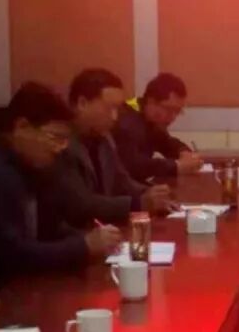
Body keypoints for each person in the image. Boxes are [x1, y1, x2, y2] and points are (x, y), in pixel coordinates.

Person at [0, 83, 122, 295]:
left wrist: (92, 240)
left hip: (21, 286)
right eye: (55, 138)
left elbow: (50, 227)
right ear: (22, 127)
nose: (59, 149)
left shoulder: (29, 165)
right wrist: (83, 246)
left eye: (64, 141)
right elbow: (13, 255)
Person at [45, 69, 173, 229]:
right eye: (109, 108)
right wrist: (138, 203)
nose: (114, 117)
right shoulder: (60, 142)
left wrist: (151, 194)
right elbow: (80, 203)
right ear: (82, 103)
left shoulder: (103, 137)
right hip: (77, 234)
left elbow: (121, 181)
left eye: (117, 109)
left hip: (106, 230)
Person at [113, 73, 203, 180]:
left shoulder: (147, 116)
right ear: (151, 102)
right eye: (169, 109)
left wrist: (183, 152)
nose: (173, 117)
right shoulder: (126, 121)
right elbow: (134, 165)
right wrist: (176, 166)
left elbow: (166, 142)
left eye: (177, 111)